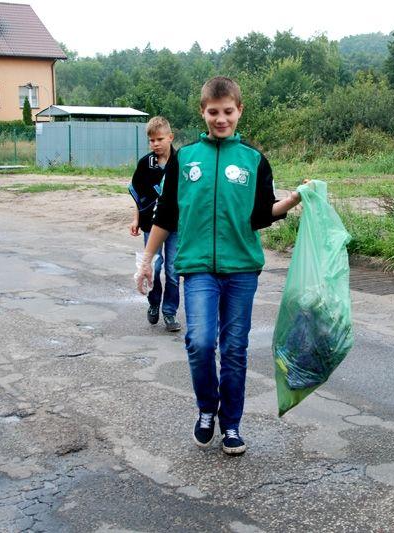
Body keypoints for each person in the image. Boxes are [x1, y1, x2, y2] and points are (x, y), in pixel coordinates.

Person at [135, 77, 304, 455]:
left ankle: (231, 424)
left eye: (228, 111)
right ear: (203, 112)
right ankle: (205, 410)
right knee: (198, 342)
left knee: (233, 348)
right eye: (214, 112)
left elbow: (261, 215)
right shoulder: (186, 157)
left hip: (242, 268)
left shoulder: (254, 160)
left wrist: (291, 202)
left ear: (240, 110)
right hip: (196, 267)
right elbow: (167, 213)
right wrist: (147, 260)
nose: (221, 119)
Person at [128, 116, 181, 332]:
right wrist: (136, 219)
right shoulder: (145, 164)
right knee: (154, 266)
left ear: (170, 137)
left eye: (160, 139)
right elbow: (139, 196)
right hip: (151, 226)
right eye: (151, 140)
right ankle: (153, 303)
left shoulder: (182, 162)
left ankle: (170, 312)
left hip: (177, 226)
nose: (155, 144)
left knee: (173, 269)